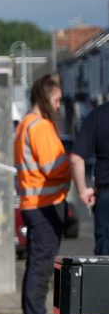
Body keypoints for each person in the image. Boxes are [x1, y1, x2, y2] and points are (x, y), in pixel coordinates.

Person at [14, 75, 89, 314]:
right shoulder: (41, 127)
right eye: (56, 100)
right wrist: (74, 163)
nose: (59, 106)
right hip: (45, 206)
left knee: (37, 266)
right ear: (45, 99)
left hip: (35, 205)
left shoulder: (25, 124)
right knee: (41, 268)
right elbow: (52, 168)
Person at [71, 100, 105, 252]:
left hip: (106, 196)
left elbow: (76, 158)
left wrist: (83, 191)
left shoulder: (98, 116)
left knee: (105, 259)